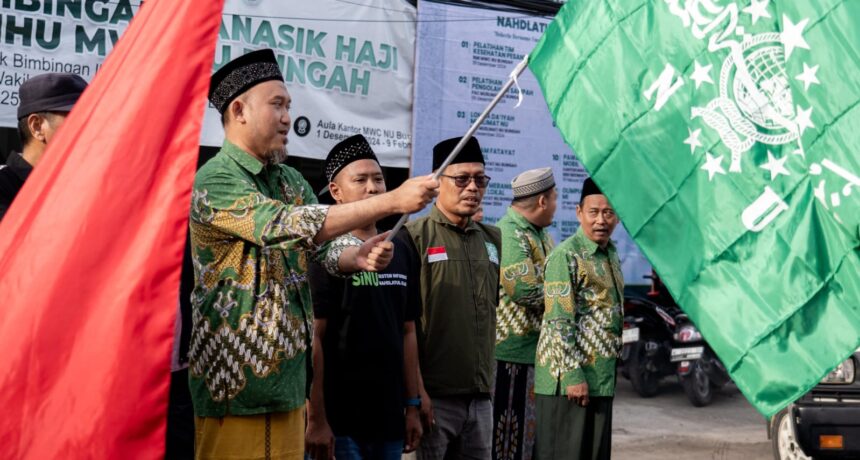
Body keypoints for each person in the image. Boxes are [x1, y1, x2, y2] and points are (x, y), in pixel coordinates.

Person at [188, 49, 438, 460]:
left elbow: (322, 247)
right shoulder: (215, 180)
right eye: (277, 104)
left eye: (289, 105)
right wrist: (391, 199)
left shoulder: (287, 179)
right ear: (239, 110)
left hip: (288, 385)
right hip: (235, 390)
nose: (288, 117)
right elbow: (283, 224)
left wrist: (356, 256)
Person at [306, 134, 423, 460]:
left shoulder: (401, 247)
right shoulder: (324, 251)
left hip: (388, 419)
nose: (373, 187)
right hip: (339, 422)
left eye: (378, 179)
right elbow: (314, 337)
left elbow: (408, 331)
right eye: (360, 180)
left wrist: (412, 404)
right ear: (336, 192)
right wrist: (316, 419)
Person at [396, 136, 501, 460]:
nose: (472, 188)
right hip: (433, 400)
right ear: (438, 182)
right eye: (461, 179)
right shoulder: (413, 237)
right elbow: (404, 325)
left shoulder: (492, 239)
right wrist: (416, 396)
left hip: (480, 399)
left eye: (479, 179)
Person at [534, 178, 623, 460]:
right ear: (578, 213)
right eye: (593, 212)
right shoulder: (566, 256)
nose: (601, 220)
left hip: (600, 379)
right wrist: (573, 375)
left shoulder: (611, 253)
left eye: (608, 213)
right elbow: (558, 320)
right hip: (569, 383)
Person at [493, 168, 558, 460]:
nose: (557, 205)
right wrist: (570, 296)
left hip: (533, 354)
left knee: (528, 443)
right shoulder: (511, 232)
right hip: (510, 356)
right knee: (506, 443)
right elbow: (524, 290)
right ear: (542, 201)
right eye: (555, 199)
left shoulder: (540, 235)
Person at [0, 73, 87, 222]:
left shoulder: (82, 187)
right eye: (76, 119)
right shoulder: (4, 188)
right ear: (37, 126)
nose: (88, 129)